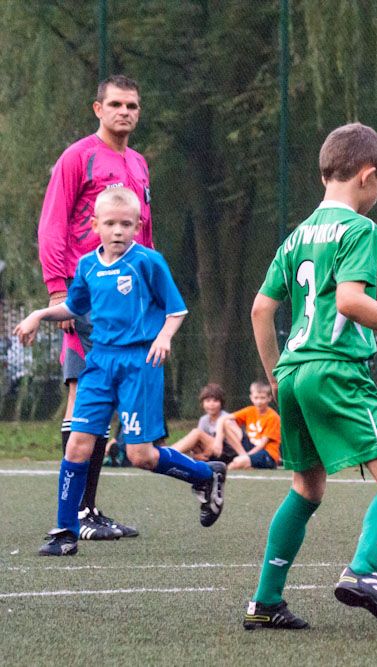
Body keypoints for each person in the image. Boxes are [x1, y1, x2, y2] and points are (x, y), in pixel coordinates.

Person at [242, 122, 377, 630]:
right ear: (367, 175)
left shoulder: (297, 234)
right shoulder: (359, 229)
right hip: (337, 370)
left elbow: (260, 309)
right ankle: (364, 570)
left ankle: (266, 601)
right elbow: (350, 301)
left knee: (307, 487)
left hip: (294, 372)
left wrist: (277, 375)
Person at [14, 187, 226, 557]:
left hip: (140, 364)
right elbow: (73, 308)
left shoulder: (148, 262)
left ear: (137, 226)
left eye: (126, 224)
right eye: (110, 223)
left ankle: (207, 476)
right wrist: (39, 314)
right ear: (94, 225)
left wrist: (163, 337)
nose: (117, 231)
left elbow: (176, 309)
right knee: (79, 445)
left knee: (139, 455)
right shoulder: (86, 266)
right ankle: (65, 531)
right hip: (99, 362)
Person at [36, 74, 154, 540]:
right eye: (117, 104)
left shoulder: (140, 164)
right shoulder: (77, 157)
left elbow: (143, 232)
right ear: (98, 109)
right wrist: (57, 289)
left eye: (133, 105)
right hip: (86, 292)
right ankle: (80, 516)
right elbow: (53, 223)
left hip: (128, 301)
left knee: (90, 395)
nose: (126, 112)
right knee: (89, 393)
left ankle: (84, 514)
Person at [222, 380, 282, 470]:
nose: (259, 401)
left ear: (269, 398)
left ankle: (245, 461)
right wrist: (218, 439)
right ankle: (244, 458)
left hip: (266, 453)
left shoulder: (273, 417)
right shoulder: (250, 410)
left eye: (262, 398)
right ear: (251, 398)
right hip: (251, 447)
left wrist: (248, 456)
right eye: (256, 398)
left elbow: (263, 444)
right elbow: (225, 419)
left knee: (237, 463)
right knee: (227, 423)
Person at [170, 383, 234, 462]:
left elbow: (226, 443)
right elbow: (197, 442)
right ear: (202, 403)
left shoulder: (226, 417)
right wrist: (196, 455)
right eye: (208, 401)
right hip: (210, 452)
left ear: (221, 403)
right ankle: (174, 455)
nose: (211, 404)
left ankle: (169, 453)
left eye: (215, 401)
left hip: (226, 452)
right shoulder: (204, 420)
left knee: (197, 433)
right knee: (195, 441)